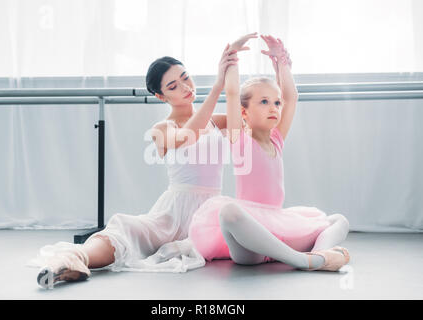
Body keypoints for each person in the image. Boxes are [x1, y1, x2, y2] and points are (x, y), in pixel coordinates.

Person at [29, 42, 244, 288]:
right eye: (174, 86)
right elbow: (188, 135)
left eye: (186, 78)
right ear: (161, 96)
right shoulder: (162, 129)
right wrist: (217, 86)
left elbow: (249, 121)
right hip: (173, 213)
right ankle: (74, 259)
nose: (185, 88)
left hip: (210, 210)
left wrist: (234, 65)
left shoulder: (217, 122)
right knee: (125, 226)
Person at [187, 33, 351, 271]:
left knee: (339, 220)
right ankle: (300, 260)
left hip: (280, 226)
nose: (274, 107)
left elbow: (291, 98)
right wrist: (231, 57)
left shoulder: (276, 140)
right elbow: (232, 93)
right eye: (264, 102)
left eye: (275, 103)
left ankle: (319, 255)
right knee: (229, 212)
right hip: (251, 245)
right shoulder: (239, 139)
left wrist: (281, 62)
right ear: (244, 113)